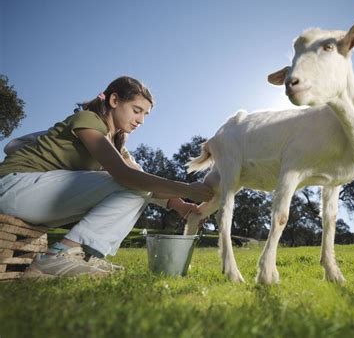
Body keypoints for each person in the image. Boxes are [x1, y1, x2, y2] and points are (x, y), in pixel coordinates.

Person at [0, 76, 213, 279]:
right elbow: (125, 176)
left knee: (137, 183)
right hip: (12, 186)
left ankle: (82, 256)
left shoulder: (117, 145)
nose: (140, 120)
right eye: (136, 110)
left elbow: (141, 182)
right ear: (114, 100)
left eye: (145, 115)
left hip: (36, 198)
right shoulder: (88, 120)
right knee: (130, 181)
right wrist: (186, 188)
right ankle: (58, 255)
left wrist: (181, 206)